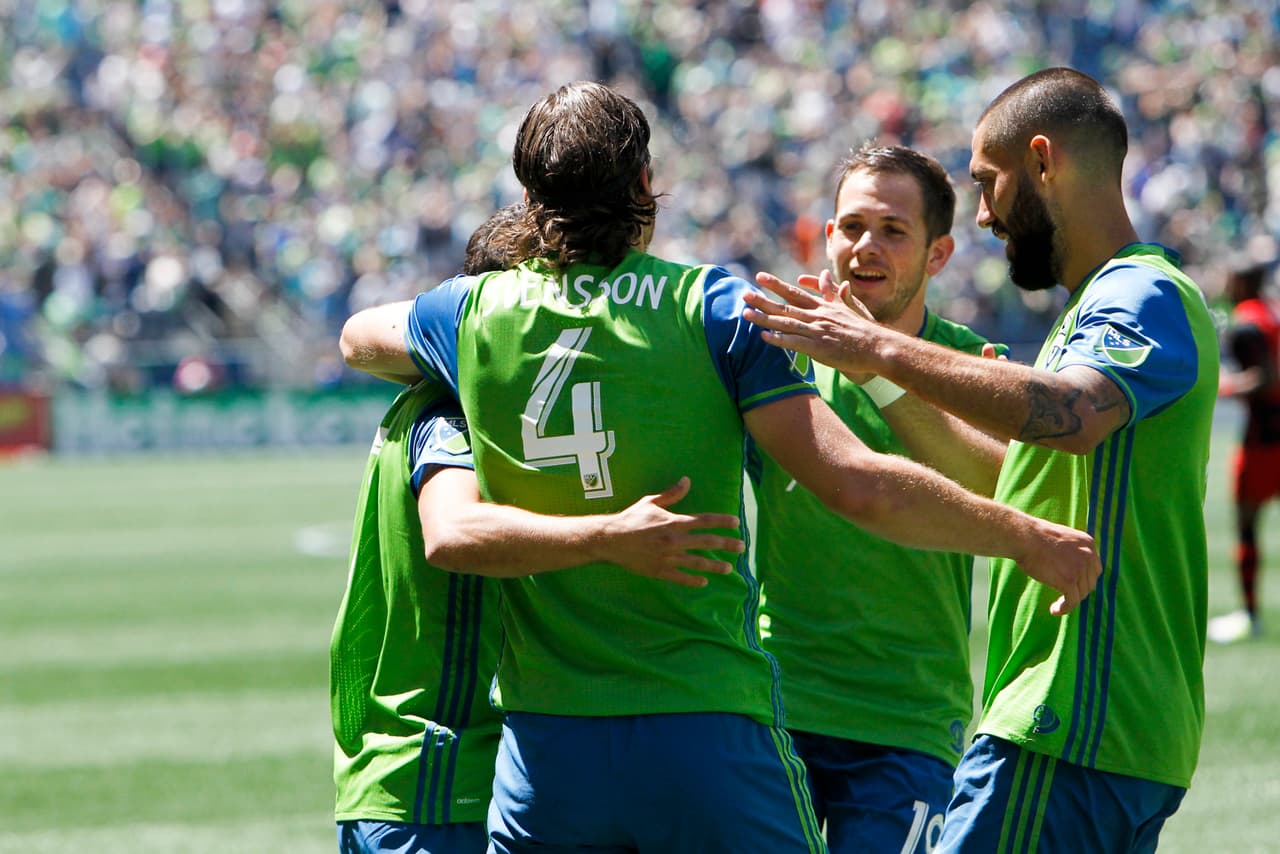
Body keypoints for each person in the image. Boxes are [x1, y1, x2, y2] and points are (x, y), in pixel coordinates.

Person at [340, 81, 1100, 854]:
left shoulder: (468, 316)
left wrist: (460, 343)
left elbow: (360, 336)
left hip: (545, 750)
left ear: (529, 194)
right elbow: (857, 481)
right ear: (644, 185)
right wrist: (1026, 537)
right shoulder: (713, 308)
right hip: (704, 723)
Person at [743, 67, 1219, 852]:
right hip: (1085, 724)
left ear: (1042, 162)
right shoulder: (1092, 310)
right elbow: (1013, 477)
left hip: (1072, 715)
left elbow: (1067, 414)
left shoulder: (1143, 295)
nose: (990, 212)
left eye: (987, 183)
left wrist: (878, 351)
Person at [330, 207, 746, 854]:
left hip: (403, 768)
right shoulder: (455, 417)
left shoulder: (431, 405)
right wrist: (611, 536)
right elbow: (454, 532)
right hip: (439, 768)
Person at [747, 142, 1009, 854]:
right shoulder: (773, 355)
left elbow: (1003, 485)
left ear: (939, 255)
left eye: (893, 231)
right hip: (777, 708)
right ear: (826, 237)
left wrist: (872, 367)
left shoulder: (976, 368)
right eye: (852, 226)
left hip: (911, 721)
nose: (867, 246)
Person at [1209, 261, 1279, 643]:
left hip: (1264, 442)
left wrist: (1225, 387)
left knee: (1246, 525)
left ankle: (1250, 615)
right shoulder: (1272, 314)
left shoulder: (1246, 320)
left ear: (1240, 279)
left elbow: (1266, 376)